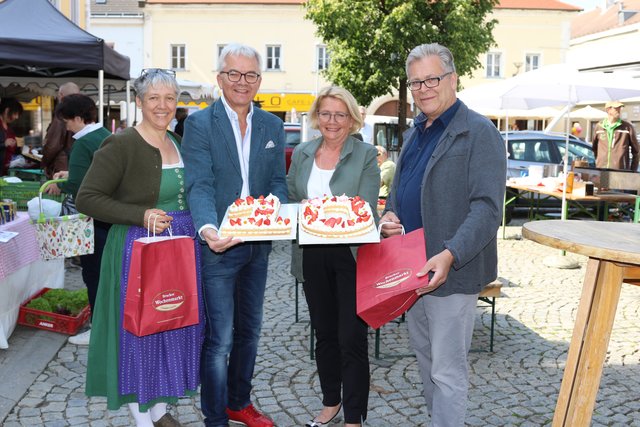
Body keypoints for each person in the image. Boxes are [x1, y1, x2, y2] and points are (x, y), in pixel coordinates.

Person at [380, 43, 506, 426]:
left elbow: (487, 208)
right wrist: (388, 216)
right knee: (426, 360)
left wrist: (450, 254)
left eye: (432, 79)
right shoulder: (417, 132)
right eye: (416, 82)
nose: (423, 88)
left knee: (447, 372)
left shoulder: (479, 133)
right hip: (412, 268)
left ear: (452, 79)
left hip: (451, 271)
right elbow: (399, 191)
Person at [76, 68, 204, 427]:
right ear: (139, 102)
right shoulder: (122, 144)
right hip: (137, 249)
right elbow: (86, 197)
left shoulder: (177, 142)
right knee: (138, 330)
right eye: (153, 98)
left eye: (169, 98)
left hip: (178, 249)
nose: (162, 105)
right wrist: (138, 214)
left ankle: (160, 407)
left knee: (169, 325)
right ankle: (141, 414)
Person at [182, 43, 287, 427]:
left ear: (259, 79)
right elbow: (200, 184)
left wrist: (273, 210)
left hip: (257, 245)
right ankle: (215, 417)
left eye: (250, 75)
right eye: (234, 74)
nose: (242, 82)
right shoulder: (199, 124)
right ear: (220, 77)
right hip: (219, 247)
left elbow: (277, 181)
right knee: (220, 339)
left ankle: (238, 402)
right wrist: (209, 230)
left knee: (251, 332)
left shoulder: (272, 126)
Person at [288, 86, 380, 427]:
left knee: (350, 337)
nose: (332, 121)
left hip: (352, 255)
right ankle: (331, 401)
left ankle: (353, 416)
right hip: (311, 254)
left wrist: (324, 213)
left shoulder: (366, 155)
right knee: (324, 333)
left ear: (352, 119)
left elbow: (367, 208)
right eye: (326, 113)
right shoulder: (302, 153)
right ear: (316, 116)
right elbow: (292, 194)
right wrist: (301, 211)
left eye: (340, 114)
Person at [53, 94, 112, 346]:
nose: (65, 126)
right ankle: (109, 324)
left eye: (67, 121)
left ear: (78, 118)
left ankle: (97, 330)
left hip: (93, 218)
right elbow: (95, 171)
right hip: (112, 216)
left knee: (92, 274)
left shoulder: (82, 143)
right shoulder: (107, 136)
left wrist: (60, 183)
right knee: (108, 273)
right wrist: (73, 172)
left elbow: (77, 184)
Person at [42, 82, 80, 182]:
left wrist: (44, 163)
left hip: (61, 167)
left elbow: (52, 146)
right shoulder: (82, 112)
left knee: (58, 196)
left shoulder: (62, 114)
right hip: (75, 165)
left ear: (60, 95)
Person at [592, 101, 639, 170]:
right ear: (608, 110)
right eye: (616, 108)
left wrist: (633, 170)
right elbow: (594, 148)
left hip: (621, 170)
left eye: (620, 108)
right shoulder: (599, 127)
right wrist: (599, 162)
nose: (619, 110)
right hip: (601, 169)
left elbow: (636, 151)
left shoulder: (627, 127)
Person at [0, 98, 23, 176]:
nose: (16, 117)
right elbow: (5, 145)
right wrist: (4, 144)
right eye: (15, 113)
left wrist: (20, 148)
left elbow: (12, 148)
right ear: (7, 111)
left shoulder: (9, 128)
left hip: (6, 170)